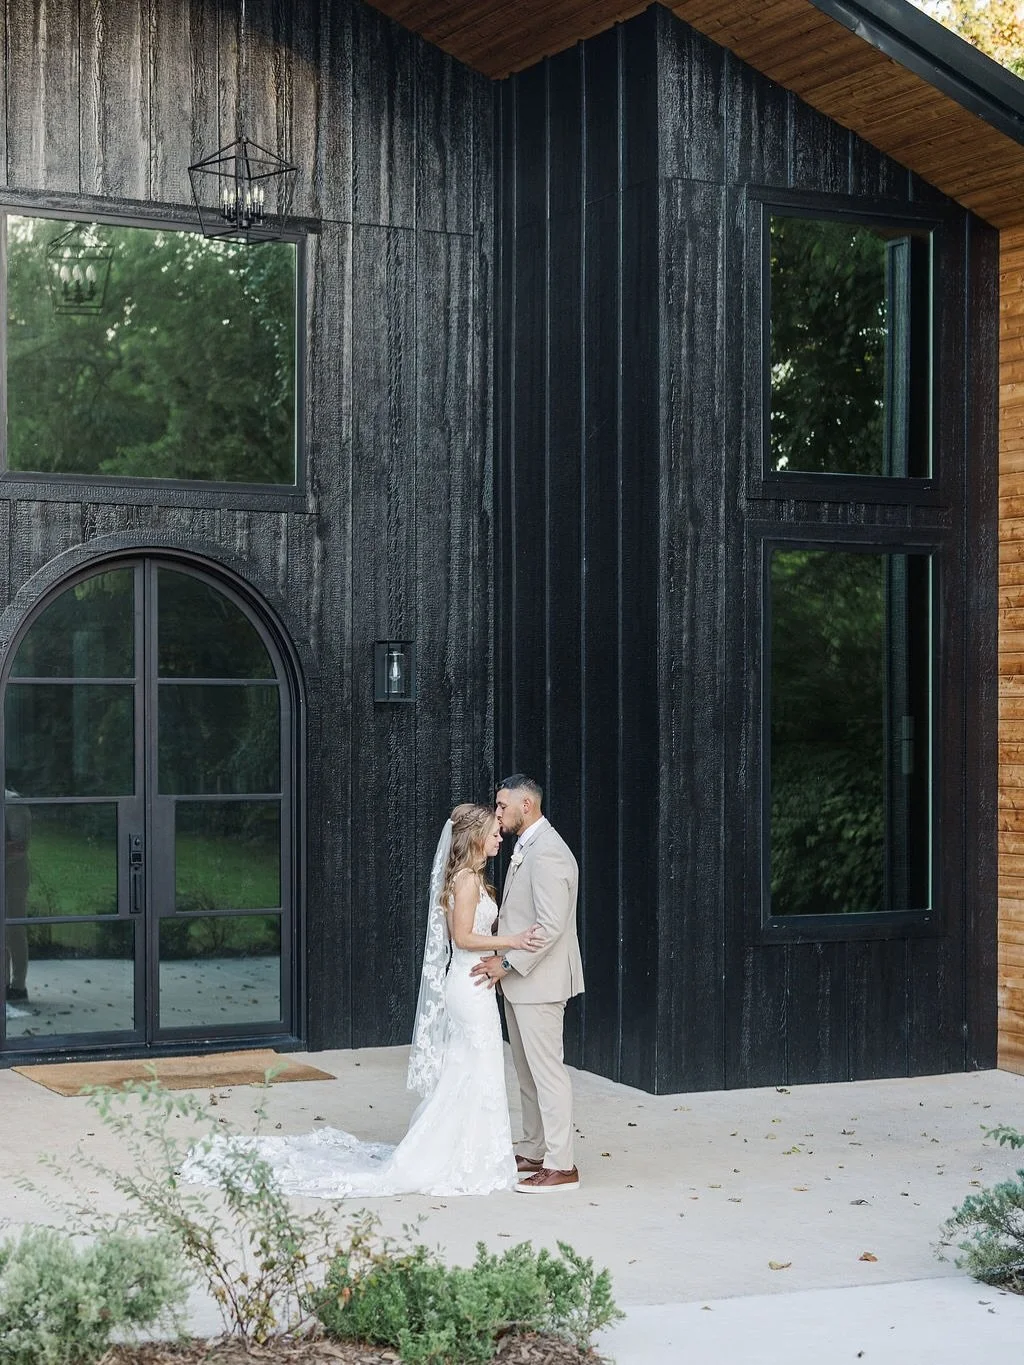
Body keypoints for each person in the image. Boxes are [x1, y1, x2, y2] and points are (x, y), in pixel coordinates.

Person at [180, 803, 543, 1198]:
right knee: (476, 1069)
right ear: (474, 837)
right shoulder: (467, 881)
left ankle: (468, 1154)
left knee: (470, 1071)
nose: (499, 836)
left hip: (470, 983)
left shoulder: (471, 876)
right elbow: (463, 938)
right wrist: (513, 941)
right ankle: (459, 1159)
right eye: (492, 831)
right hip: (470, 985)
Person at [471, 775, 584, 1193]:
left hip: (540, 981)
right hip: (523, 982)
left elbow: (551, 925)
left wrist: (507, 962)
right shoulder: (530, 847)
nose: (498, 815)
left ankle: (561, 1165)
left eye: (502, 806)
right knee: (527, 1073)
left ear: (526, 803)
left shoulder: (550, 852)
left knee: (547, 1072)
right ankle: (536, 1148)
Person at [4, 791, 30, 1004]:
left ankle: (18, 986)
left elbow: (19, 846)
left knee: (13, 931)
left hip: (12, 880)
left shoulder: (12, 803)